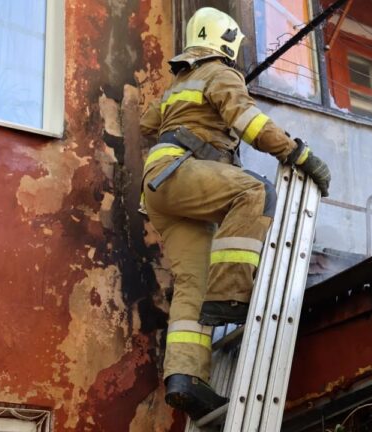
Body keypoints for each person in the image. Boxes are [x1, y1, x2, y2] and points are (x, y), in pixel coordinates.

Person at [139, 6, 331, 421]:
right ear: (225, 40)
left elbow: (146, 123)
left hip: (159, 190)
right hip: (179, 176)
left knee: (193, 283)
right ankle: (230, 296)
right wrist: (299, 154)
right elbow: (249, 122)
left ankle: (184, 379)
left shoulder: (179, 82)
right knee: (253, 191)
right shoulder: (221, 74)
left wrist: (196, 124)